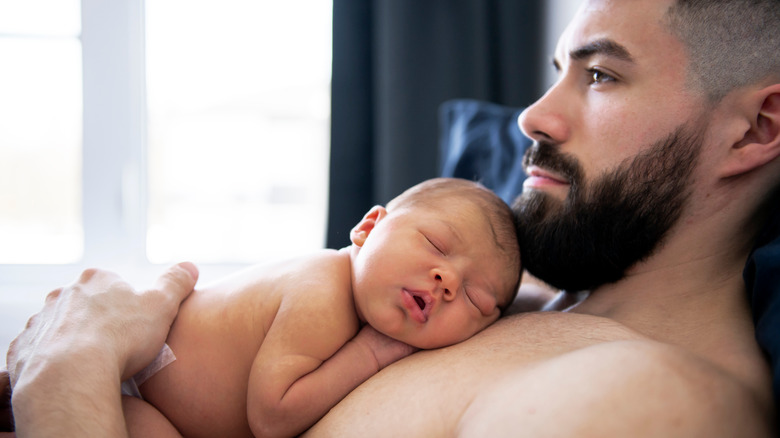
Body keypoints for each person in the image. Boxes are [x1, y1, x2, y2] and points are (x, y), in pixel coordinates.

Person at [4, 0, 780, 436]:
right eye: (556, 75)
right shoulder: (509, 311)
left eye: (602, 75)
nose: (532, 118)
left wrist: (70, 378)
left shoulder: (645, 404)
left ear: (754, 131)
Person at [2, 177, 521, 437]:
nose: (448, 280)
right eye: (435, 244)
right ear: (368, 227)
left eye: (475, 299)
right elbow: (271, 415)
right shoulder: (324, 290)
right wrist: (371, 356)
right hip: (139, 381)